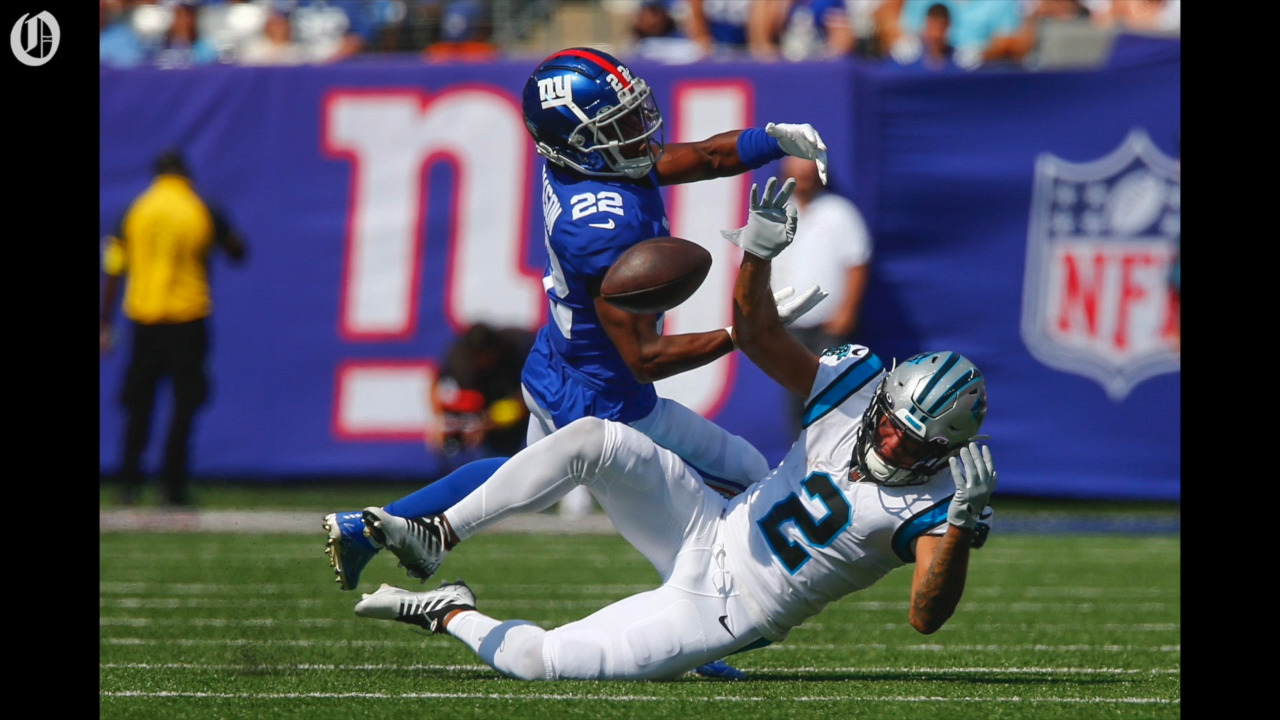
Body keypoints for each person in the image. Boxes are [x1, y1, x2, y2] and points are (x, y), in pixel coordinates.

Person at [350, 176, 999, 681]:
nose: (889, 440)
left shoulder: (939, 502)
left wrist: (961, 533)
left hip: (727, 608)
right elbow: (758, 334)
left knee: (541, 663)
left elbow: (924, 617)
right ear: (883, 397)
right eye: (890, 423)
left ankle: (450, 610)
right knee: (591, 436)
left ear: (942, 451)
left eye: (911, 443)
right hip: (711, 523)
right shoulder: (854, 388)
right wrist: (758, 257)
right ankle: (439, 532)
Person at [324, 45, 831, 681]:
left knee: (521, 473)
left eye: (626, 114)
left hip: (559, 364)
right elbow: (645, 358)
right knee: (743, 479)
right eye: (613, 125)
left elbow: (695, 157)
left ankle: (373, 529)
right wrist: (744, 330)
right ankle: (706, 638)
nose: (636, 131)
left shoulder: (583, 163)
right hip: (610, 399)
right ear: (576, 143)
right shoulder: (601, 226)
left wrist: (766, 139)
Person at [100, 149, 248, 507]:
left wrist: (104, 321)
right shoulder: (201, 208)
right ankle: (172, 485)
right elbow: (237, 250)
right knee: (184, 406)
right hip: (187, 319)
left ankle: (129, 483)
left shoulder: (136, 210)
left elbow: (114, 268)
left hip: (144, 319)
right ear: (186, 175)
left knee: (139, 404)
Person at [770, 155, 872, 435]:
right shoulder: (774, 214)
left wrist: (847, 312)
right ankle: (799, 464)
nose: (803, 182)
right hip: (789, 328)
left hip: (829, 329)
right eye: (797, 176)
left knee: (833, 399)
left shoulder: (839, 212)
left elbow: (857, 262)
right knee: (796, 402)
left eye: (808, 175)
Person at [426, 323, 534, 464]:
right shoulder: (459, 356)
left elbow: (525, 403)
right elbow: (435, 381)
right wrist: (439, 419)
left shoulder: (519, 349)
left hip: (522, 425)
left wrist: (485, 423)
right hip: (486, 422)